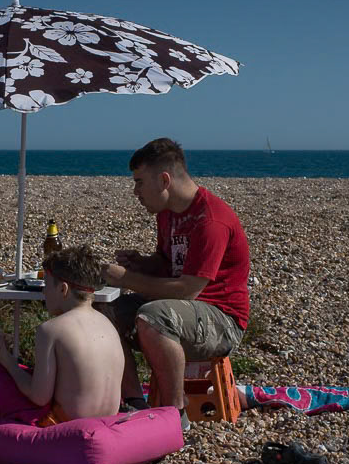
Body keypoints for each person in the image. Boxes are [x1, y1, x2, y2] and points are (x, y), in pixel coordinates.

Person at [103, 138, 250, 414]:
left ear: (164, 180)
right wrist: (143, 264)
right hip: (184, 310)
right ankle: (134, 402)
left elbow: (187, 290)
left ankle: (174, 412)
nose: (136, 191)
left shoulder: (210, 220)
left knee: (153, 316)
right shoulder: (168, 213)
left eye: (139, 182)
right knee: (105, 314)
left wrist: (124, 278)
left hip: (223, 319)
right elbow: (169, 265)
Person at [0, 245, 125, 427]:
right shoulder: (108, 325)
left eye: (46, 284)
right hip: (108, 422)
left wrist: (8, 362)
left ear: (63, 289)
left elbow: (39, 397)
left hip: (67, 425)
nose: (44, 292)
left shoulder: (50, 330)